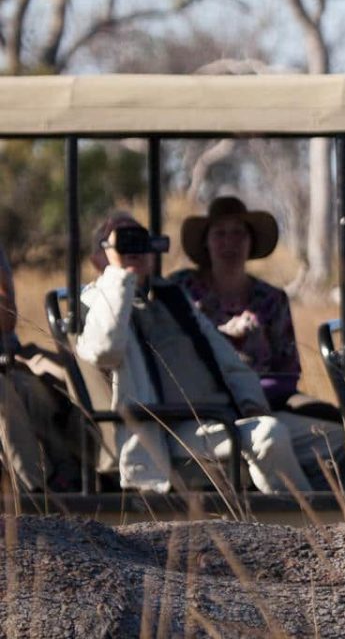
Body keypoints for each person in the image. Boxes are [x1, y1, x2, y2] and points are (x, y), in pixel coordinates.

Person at [76, 212, 312, 494]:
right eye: (122, 242)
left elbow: (231, 364)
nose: (134, 249)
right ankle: (306, 524)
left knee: (330, 436)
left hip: (217, 418)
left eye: (140, 240)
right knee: (269, 436)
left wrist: (250, 401)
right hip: (163, 429)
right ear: (97, 258)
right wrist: (119, 275)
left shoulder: (173, 298)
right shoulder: (94, 301)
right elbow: (105, 350)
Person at [170, 196, 345, 488]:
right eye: (220, 234)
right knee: (269, 437)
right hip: (200, 409)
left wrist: (253, 397)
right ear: (206, 242)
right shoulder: (182, 291)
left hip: (263, 407)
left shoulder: (271, 298)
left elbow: (287, 371)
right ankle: (299, 519)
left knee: (337, 436)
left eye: (239, 233)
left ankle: (335, 509)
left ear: (251, 242)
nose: (230, 243)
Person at [0, 244, 81, 492]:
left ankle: (68, 477)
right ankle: (35, 491)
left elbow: (7, 319)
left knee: (33, 388)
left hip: (10, 361)